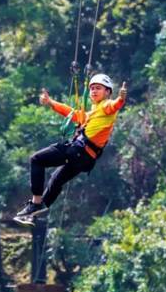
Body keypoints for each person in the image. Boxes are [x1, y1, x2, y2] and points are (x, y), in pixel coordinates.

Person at [15, 73, 127, 225]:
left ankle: (35, 203)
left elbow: (115, 105)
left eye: (98, 88)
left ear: (107, 92)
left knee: (37, 159)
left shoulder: (106, 107)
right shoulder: (93, 113)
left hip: (78, 152)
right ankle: (37, 211)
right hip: (85, 159)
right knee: (56, 179)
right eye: (92, 88)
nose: (94, 91)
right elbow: (70, 113)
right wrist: (50, 102)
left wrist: (121, 98)